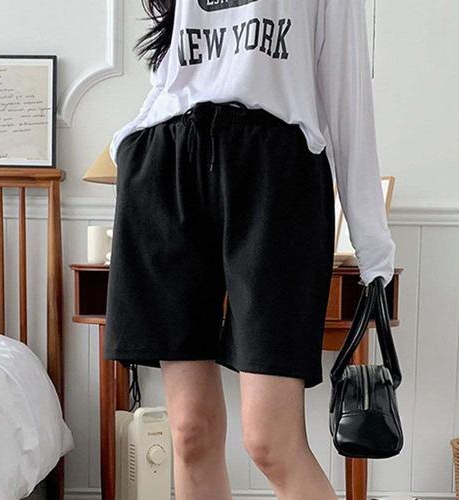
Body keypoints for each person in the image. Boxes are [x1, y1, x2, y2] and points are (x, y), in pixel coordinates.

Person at [104, 0, 396, 498]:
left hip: (274, 172)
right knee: (190, 432)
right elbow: (175, 69)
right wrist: (129, 144)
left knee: (270, 443)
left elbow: (347, 95)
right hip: (167, 163)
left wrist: (372, 246)